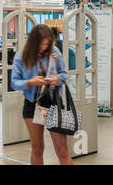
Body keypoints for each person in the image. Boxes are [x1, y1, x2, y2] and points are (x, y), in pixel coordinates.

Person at [11, 24, 73, 165]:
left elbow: (64, 74)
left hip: (54, 104)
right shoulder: (21, 57)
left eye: (47, 44)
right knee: (37, 149)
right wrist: (30, 82)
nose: (44, 47)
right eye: (41, 44)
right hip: (32, 105)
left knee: (62, 151)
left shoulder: (55, 52)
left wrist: (57, 79)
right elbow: (14, 82)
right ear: (33, 42)